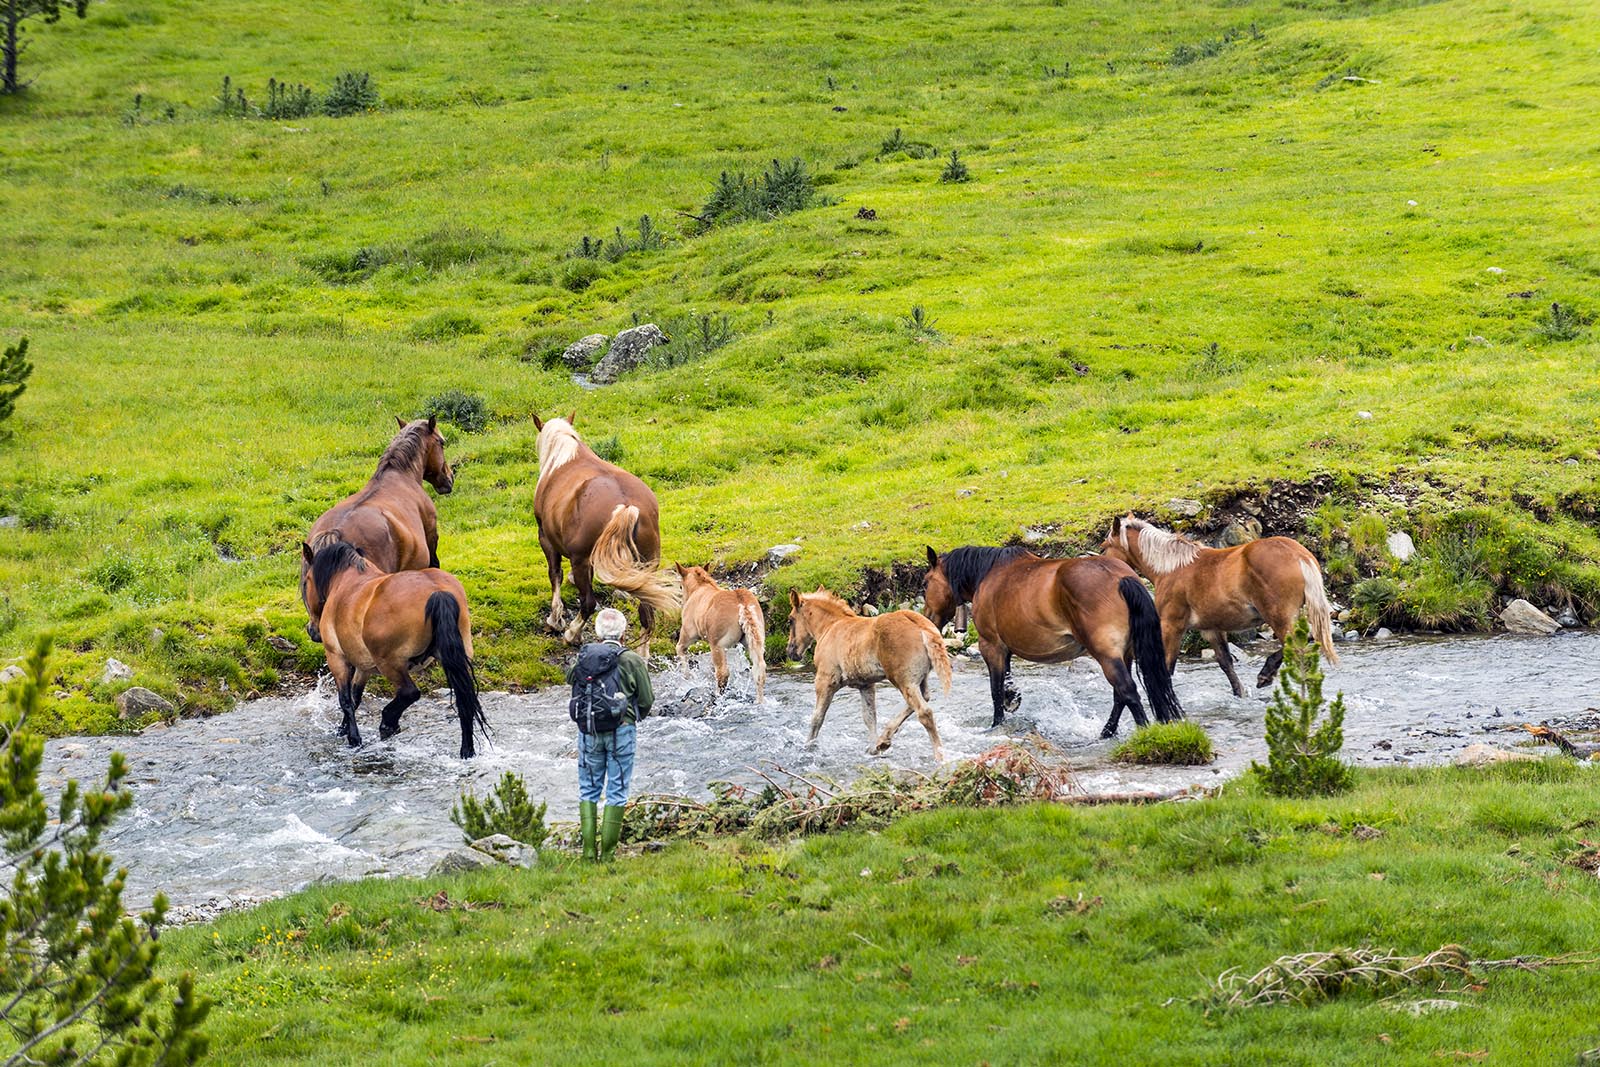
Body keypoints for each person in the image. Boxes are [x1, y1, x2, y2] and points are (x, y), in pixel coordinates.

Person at [567, 607, 654, 861]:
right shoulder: (632, 659)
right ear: (624, 633)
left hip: (588, 730)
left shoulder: (584, 657)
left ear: (597, 634)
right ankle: (607, 855)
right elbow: (647, 699)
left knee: (588, 789)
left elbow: (570, 678)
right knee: (617, 789)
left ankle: (587, 852)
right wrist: (633, 717)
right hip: (622, 731)